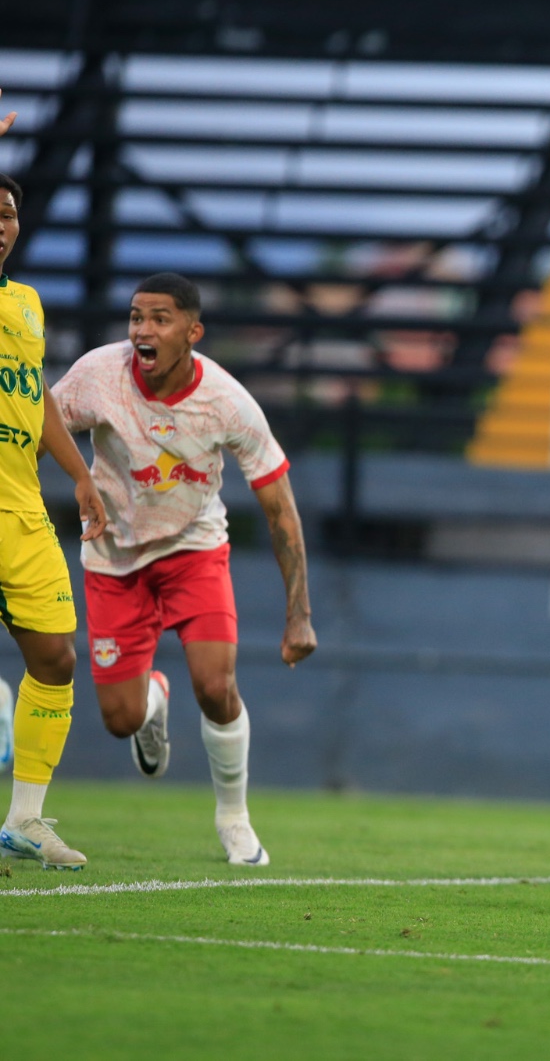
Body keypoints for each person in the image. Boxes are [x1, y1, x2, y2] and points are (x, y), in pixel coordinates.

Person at [53, 272, 317, 866]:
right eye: (135, 317)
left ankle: (234, 820)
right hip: (114, 559)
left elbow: (280, 506)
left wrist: (298, 616)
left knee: (217, 685)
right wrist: (74, 478)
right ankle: (152, 699)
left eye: (159, 319)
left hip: (193, 550)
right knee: (120, 721)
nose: (142, 331)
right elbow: (40, 424)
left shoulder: (226, 401)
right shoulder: (99, 374)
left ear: (192, 332)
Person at [0, 160, 111, 870]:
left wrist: (81, 477)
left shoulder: (29, 304)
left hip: (20, 504)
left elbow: (33, 395)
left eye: (6, 215)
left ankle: (25, 819)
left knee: (56, 657)